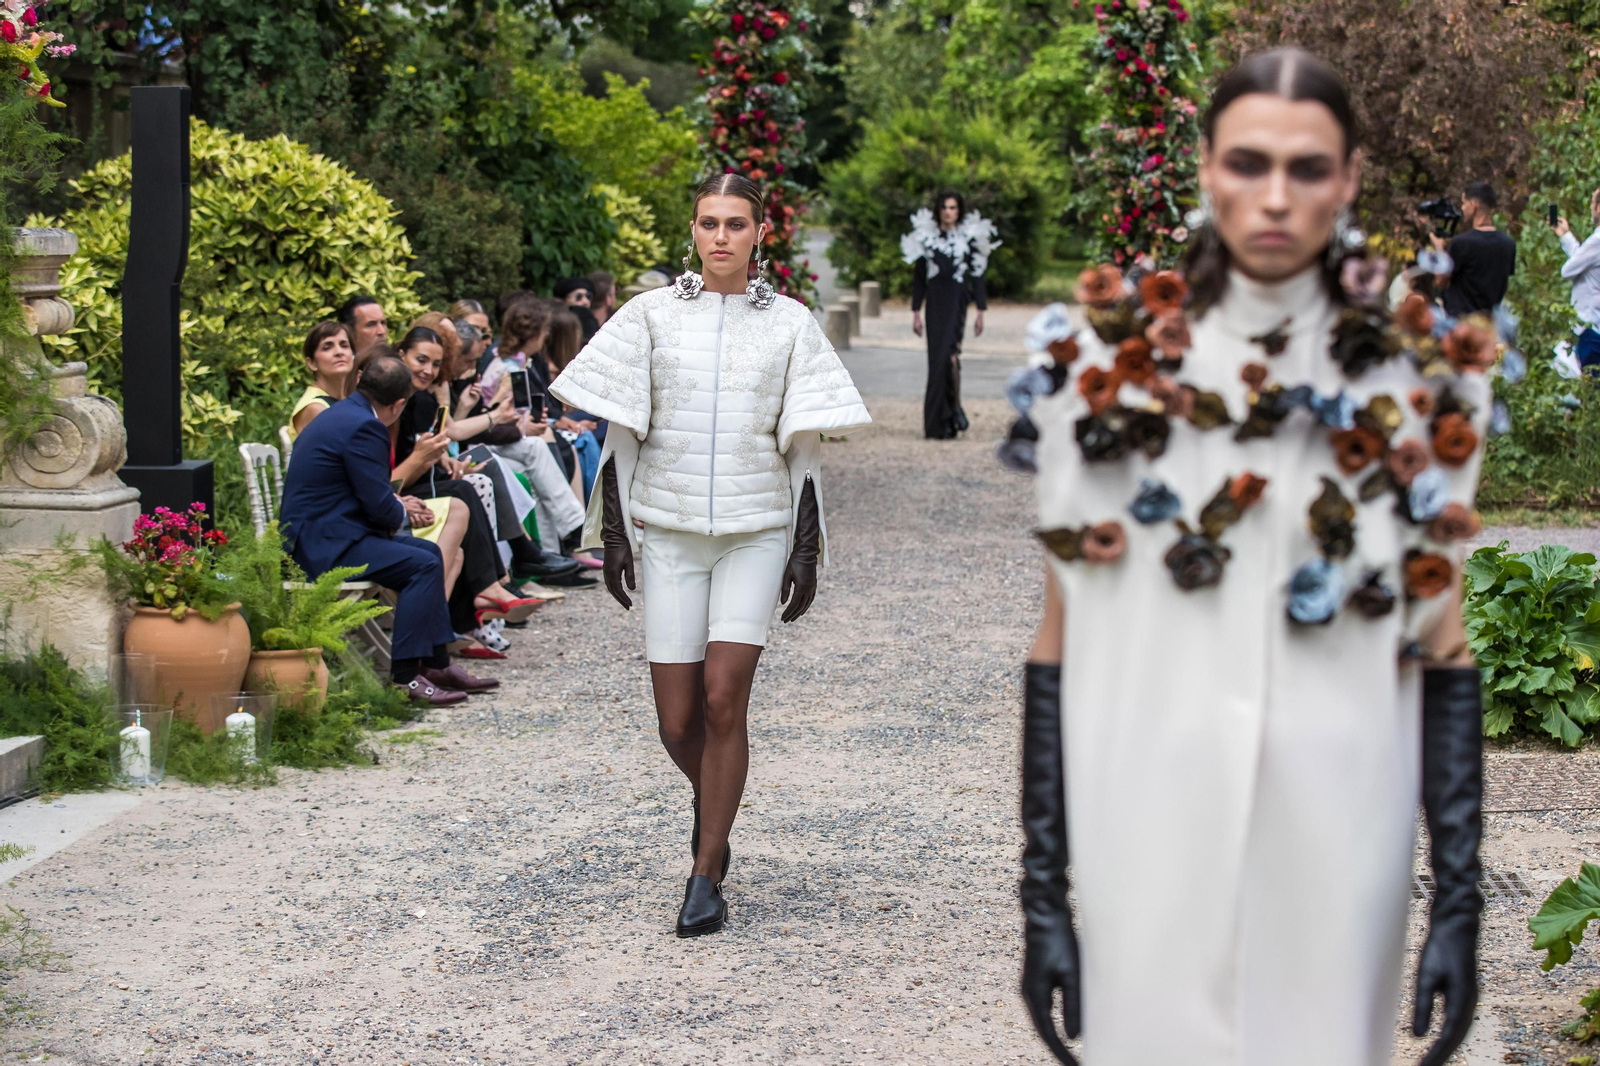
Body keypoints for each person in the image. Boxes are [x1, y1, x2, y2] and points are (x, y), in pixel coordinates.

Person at [1014, 49, 1487, 1066]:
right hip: (1145, 825)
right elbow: (1058, 638)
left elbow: (1442, 649)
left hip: (1340, 828)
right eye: (1248, 161)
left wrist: (1459, 900)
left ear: (1350, 178)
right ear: (1206, 165)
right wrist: (1041, 893)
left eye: (1307, 168)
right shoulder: (1106, 377)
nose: (1275, 196)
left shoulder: (1416, 387)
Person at [551, 173, 872, 938]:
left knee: (726, 697)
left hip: (756, 528)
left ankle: (706, 869)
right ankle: (717, 812)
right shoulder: (649, 316)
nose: (721, 236)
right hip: (666, 531)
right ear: (691, 230)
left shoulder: (791, 324)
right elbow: (622, 428)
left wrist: (805, 545)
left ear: (761, 232)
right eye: (707, 222)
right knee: (677, 718)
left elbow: (803, 446)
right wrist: (617, 529)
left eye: (735, 223)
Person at [279, 354, 496, 706]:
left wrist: (395, 506)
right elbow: (379, 506)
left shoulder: (343, 413)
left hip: (324, 535)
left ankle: (436, 662)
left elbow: (368, 495)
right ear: (398, 404)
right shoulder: (367, 427)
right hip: (322, 548)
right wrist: (400, 508)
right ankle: (406, 677)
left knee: (428, 554)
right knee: (422, 565)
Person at [901, 190, 999, 439]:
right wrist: (915, 311)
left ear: (959, 211)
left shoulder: (969, 238)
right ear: (938, 210)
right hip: (935, 303)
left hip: (957, 303)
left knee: (951, 357)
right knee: (937, 361)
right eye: (945, 207)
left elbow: (976, 276)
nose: (948, 212)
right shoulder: (926, 238)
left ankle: (952, 411)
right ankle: (937, 423)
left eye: (953, 207)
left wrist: (980, 310)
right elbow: (919, 279)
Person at [1431, 181, 1517, 318]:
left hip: (1462, 323)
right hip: (1490, 324)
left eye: (1464, 203)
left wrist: (1439, 249)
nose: (1462, 208)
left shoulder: (1461, 243)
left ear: (1473, 205)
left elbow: (1441, 282)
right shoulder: (1508, 243)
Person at [1554, 187, 1600, 375]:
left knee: (1585, 390)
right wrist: (1566, 236)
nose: (1590, 208)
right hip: (1593, 326)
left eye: (1592, 203)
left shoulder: (1597, 239)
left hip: (1589, 327)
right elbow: (1585, 264)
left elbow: (1568, 270)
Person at [289, 321, 354, 439]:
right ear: (312, 363)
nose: (339, 352)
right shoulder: (315, 407)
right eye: (327, 347)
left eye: (344, 345)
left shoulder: (349, 399)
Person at [554, 276, 600, 342]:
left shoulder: (592, 321)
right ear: (564, 301)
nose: (586, 302)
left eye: (588, 296)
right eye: (578, 297)